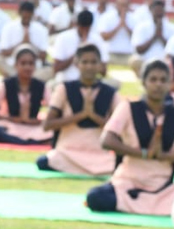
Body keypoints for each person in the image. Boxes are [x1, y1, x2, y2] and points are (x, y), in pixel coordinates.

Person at [89, 60, 174, 216]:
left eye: (163, 80)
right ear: (144, 82)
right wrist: (143, 153)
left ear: (170, 84)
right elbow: (107, 141)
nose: (158, 85)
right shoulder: (128, 108)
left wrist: (165, 156)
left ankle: (145, 205)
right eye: (153, 80)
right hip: (127, 183)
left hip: (163, 188)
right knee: (95, 197)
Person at [35, 44, 118, 176]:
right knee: (43, 162)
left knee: (119, 164)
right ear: (76, 64)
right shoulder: (64, 89)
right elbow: (47, 125)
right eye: (85, 62)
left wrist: (93, 116)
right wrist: (80, 115)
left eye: (93, 62)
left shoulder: (111, 92)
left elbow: (118, 131)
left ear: (100, 65)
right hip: (68, 152)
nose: (89, 66)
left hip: (99, 154)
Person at [0, 48, 50, 146]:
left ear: (35, 66)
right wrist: (13, 119)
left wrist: (34, 121)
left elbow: (56, 113)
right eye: (23, 63)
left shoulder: (42, 86)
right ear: (16, 65)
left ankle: (24, 142)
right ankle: (31, 143)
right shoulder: (6, 85)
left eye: (31, 64)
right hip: (11, 126)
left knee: (57, 132)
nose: (27, 67)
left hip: (35, 128)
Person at [0, 0, 51, 80]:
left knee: (50, 70)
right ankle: (22, 79)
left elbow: (43, 56)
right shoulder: (9, 27)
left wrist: (30, 43)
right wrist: (21, 43)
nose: (26, 19)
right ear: (19, 13)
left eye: (29, 17)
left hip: (34, 68)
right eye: (24, 17)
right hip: (12, 66)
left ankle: (17, 79)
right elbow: (3, 52)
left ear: (33, 15)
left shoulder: (41, 29)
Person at [51, 10, 108, 82]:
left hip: (89, 83)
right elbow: (56, 68)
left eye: (87, 29)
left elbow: (103, 72)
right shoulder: (63, 37)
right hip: (66, 81)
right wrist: (78, 54)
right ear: (77, 25)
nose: (84, 31)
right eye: (82, 28)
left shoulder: (97, 40)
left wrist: (90, 59)